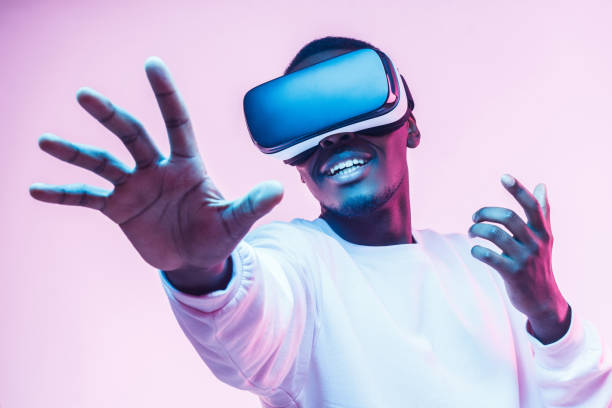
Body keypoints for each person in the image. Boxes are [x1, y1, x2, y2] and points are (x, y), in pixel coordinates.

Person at [30, 36, 612, 407]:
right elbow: (248, 328)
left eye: (355, 103)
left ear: (408, 125)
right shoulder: (295, 260)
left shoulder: (485, 267)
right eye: (304, 128)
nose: (333, 138)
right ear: (298, 168)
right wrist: (201, 271)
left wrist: (549, 314)